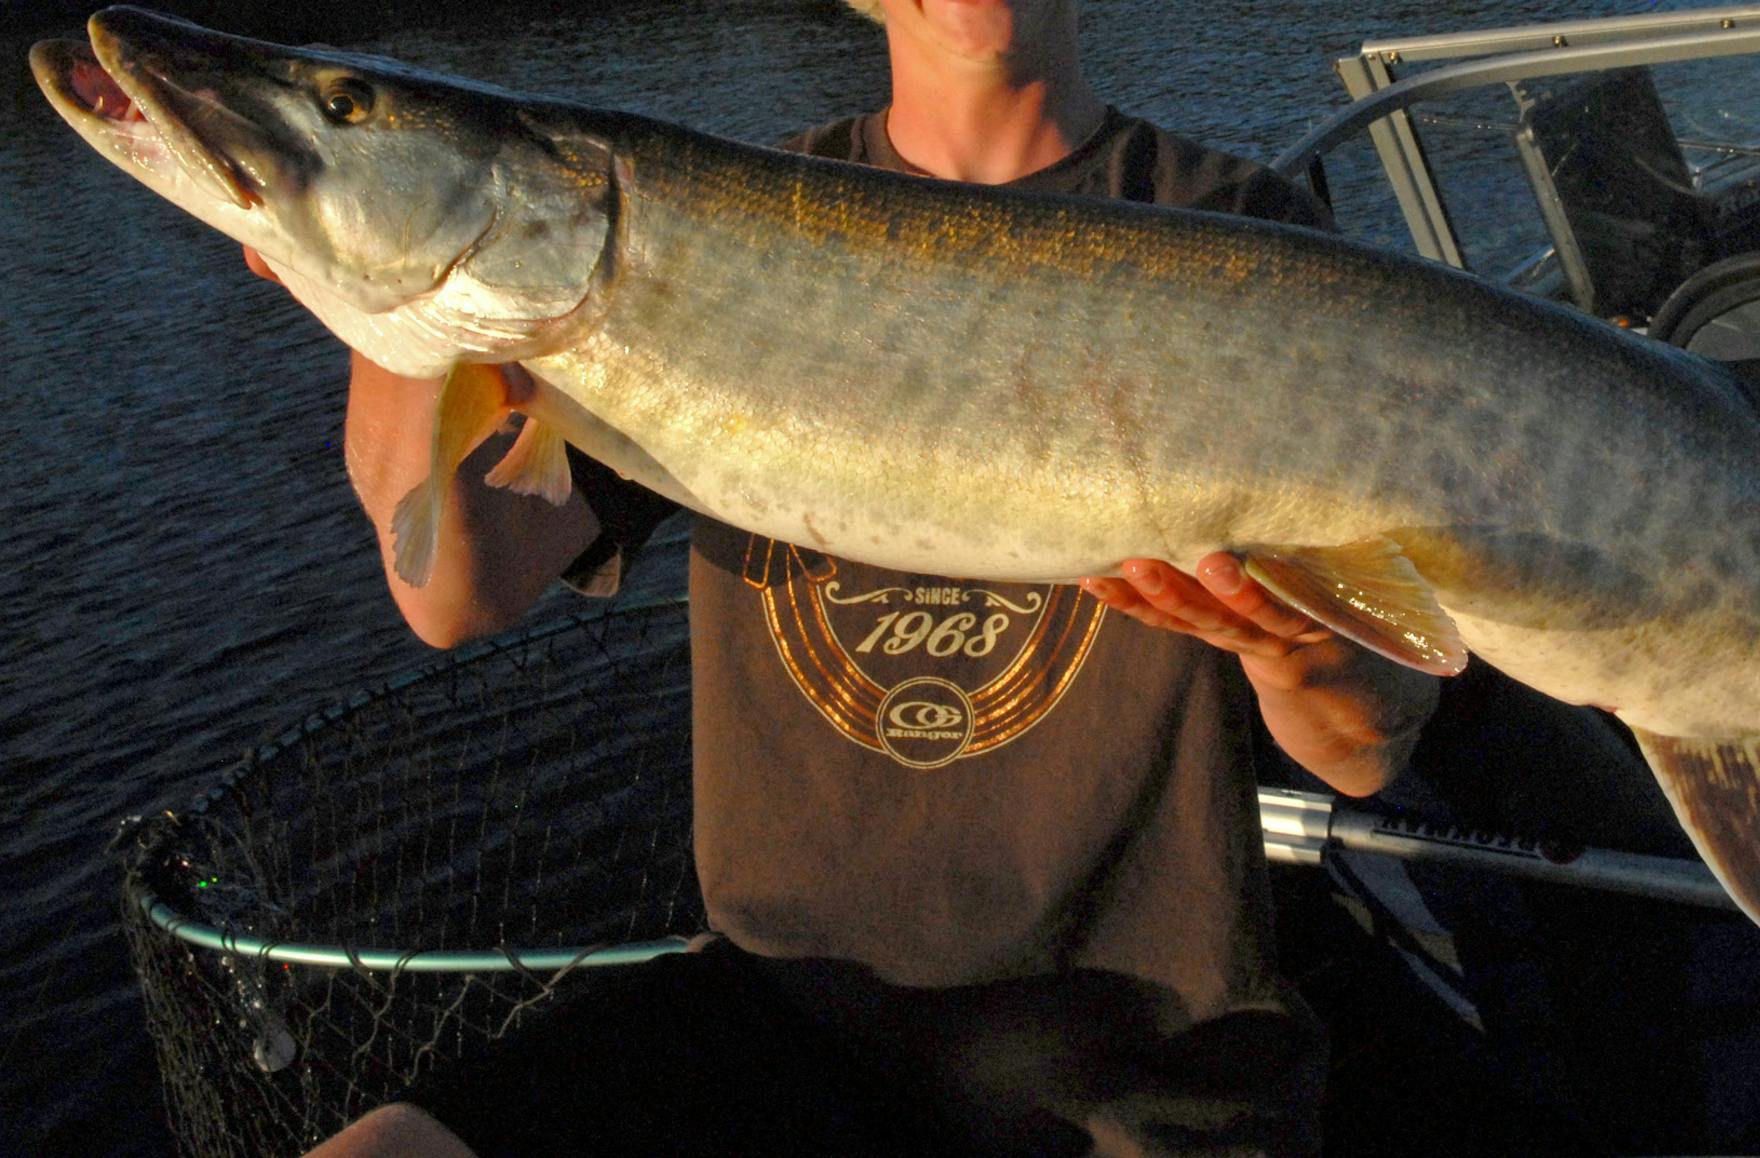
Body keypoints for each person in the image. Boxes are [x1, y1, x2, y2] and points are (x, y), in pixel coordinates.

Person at [295, 1, 1441, 1154]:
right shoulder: (676, 225)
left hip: (1139, 1050)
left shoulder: (1242, 228)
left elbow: (1363, 745)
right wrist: (387, 272)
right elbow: (453, 594)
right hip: (783, 1013)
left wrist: (1307, 655)